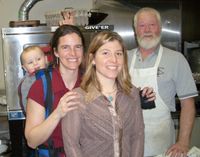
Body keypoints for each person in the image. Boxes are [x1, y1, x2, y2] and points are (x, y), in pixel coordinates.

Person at [61, 31, 155, 157]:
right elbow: (71, 144)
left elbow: (137, 135)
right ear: (92, 59)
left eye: (118, 54)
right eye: (106, 53)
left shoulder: (131, 93)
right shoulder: (77, 98)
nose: (114, 60)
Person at [128, 7, 198, 157]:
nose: (147, 30)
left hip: (160, 143)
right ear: (135, 30)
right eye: (142, 25)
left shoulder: (176, 59)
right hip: (127, 142)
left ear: (160, 28)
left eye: (152, 25)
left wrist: (183, 142)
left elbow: (188, 104)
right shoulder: (123, 58)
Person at [25, 25, 85, 157]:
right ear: (56, 52)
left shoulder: (90, 84)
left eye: (78, 47)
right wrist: (58, 113)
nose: (73, 53)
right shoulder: (41, 87)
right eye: (65, 47)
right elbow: (32, 141)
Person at [18, 45, 48, 114]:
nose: (35, 63)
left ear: (46, 59)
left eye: (38, 59)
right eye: (30, 62)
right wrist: (31, 115)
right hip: (37, 114)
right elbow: (26, 102)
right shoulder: (27, 83)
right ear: (25, 68)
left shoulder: (52, 73)